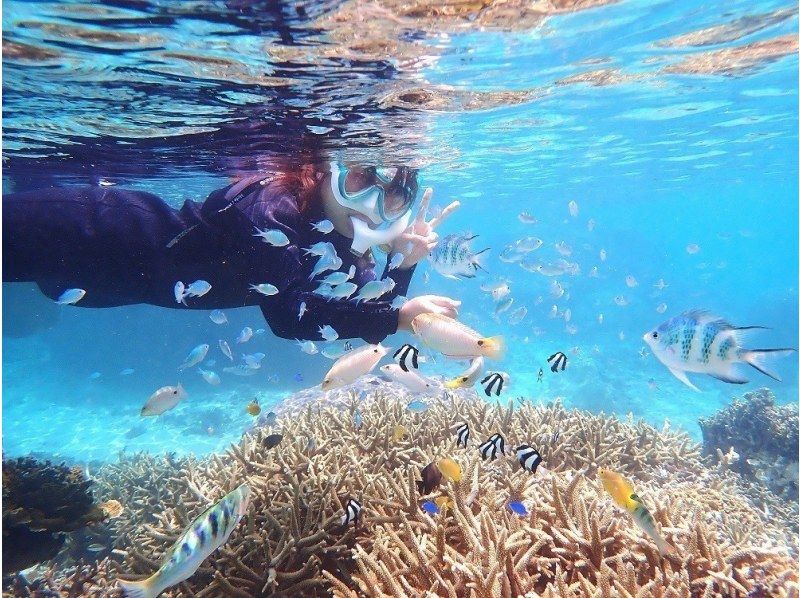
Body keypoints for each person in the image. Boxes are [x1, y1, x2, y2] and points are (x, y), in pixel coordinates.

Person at [2, 162, 461, 343]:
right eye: (361, 181)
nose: (371, 207)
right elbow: (294, 318)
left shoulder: (333, 240)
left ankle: (31, 177)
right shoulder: (273, 211)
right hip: (90, 229)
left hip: (95, 281)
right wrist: (399, 318)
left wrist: (401, 263)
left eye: (392, 199)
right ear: (329, 170)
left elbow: (364, 310)